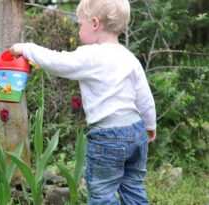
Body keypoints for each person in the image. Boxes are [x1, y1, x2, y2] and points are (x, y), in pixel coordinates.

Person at [9, 0, 156, 204]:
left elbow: (56, 62)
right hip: (136, 133)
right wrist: (150, 125)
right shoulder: (129, 58)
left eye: (80, 24)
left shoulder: (90, 56)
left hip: (108, 138)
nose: (78, 28)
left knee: (102, 194)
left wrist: (25, 48)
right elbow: (145, 96)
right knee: (133, 188)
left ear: (95, 23)